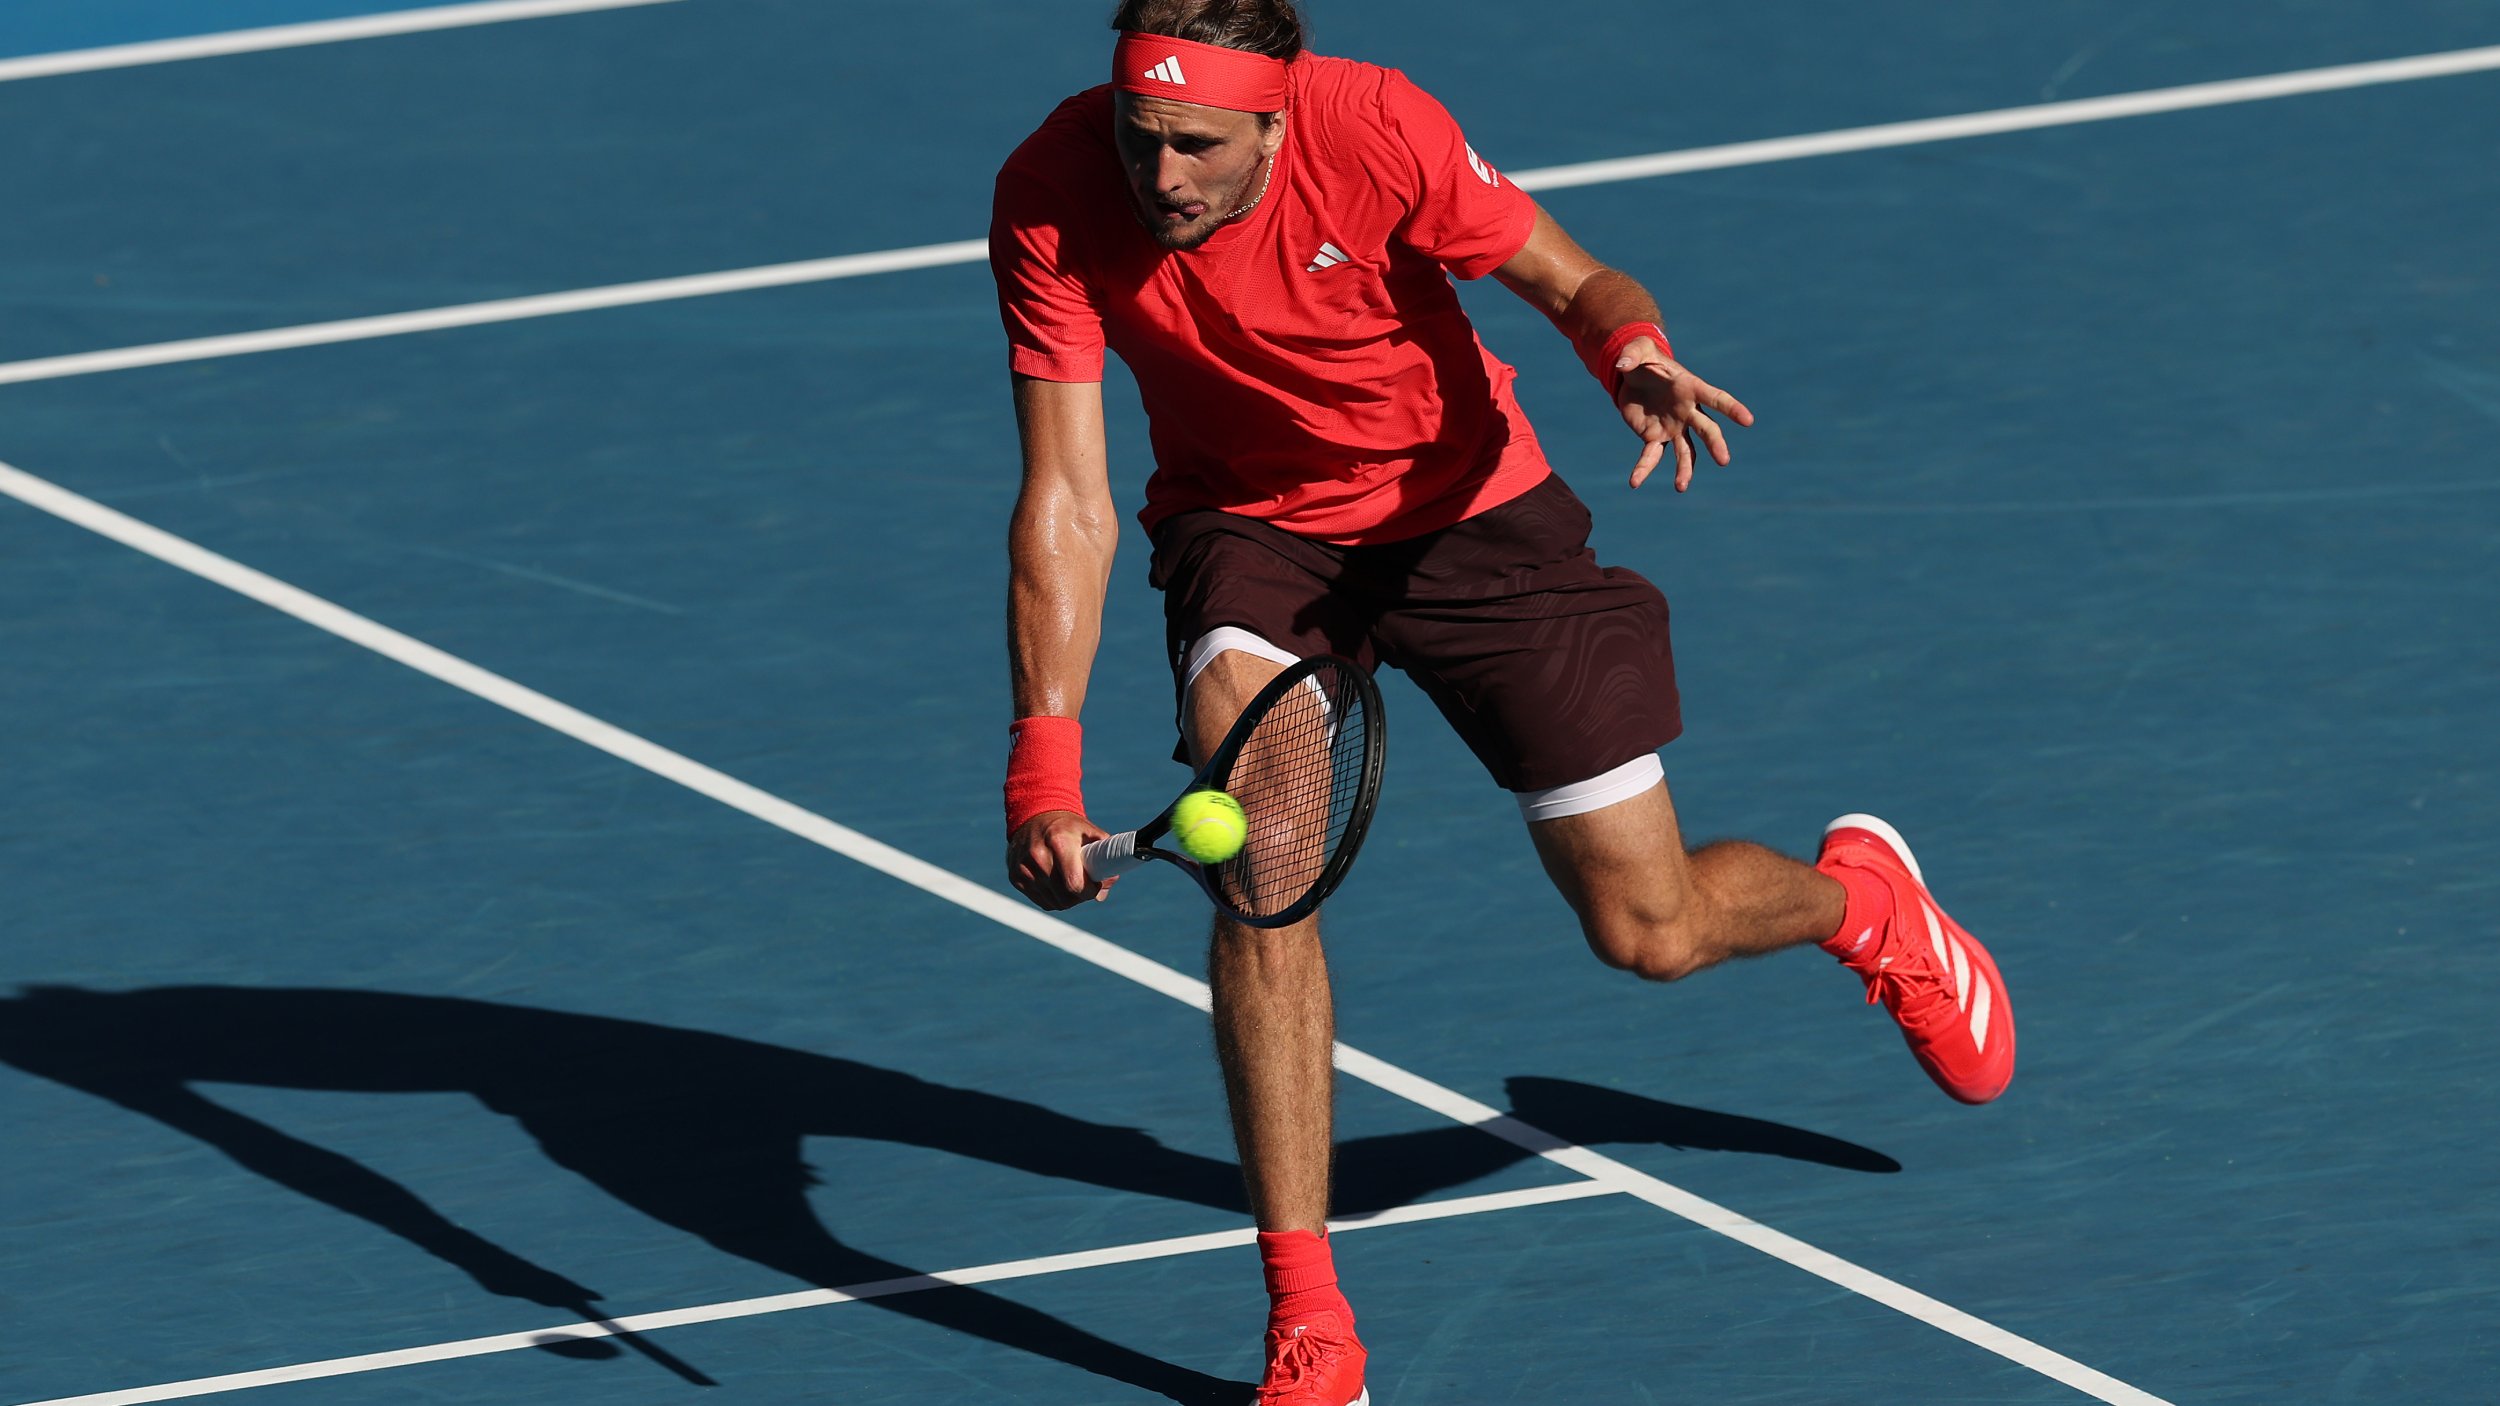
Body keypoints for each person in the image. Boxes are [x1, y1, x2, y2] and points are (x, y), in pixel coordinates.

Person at [989, 3, 2015, 1401]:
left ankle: (1864, 905)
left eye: (1196, 144)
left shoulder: (1378, 128)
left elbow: (1572, 278)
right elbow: (1068, 495)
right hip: (1251, 529)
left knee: (1649, 929)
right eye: (1138, 134)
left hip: (1468, 512)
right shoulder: (1051, 193)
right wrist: (1041, 761)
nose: (1159, 174)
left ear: (1278, 122)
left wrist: (1633, 354)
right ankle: (1311, 1319)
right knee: (1267, 866)